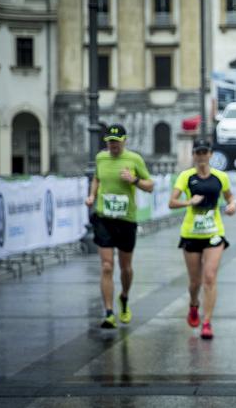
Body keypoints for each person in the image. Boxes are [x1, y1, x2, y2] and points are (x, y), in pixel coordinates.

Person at [85, 124, 154, 328]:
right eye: (110, 142)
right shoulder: (101, 158)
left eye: (117, 141)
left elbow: (150, 186)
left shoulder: (134, 159)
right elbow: (97, 178)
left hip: (126, 219)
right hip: (104, 217)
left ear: (125, 140)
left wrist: (133, 180)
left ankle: (124, 297)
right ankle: (108, 312)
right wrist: (92, 195)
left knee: (126, 268)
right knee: (107, 266)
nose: (113, 145)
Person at [169, 139, 236, 340]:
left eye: (204, 152)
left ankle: (207, 322)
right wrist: (189, 202)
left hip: (214, 233)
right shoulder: (186, 176)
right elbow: (171, 203)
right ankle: (193, 304)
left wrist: (232, 206)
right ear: (194, 155)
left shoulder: (220, 177)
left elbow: (230, 198)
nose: (201, 156)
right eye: (197, 152)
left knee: (209, 277)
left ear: (210, 154)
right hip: (191, 234)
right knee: (195, 282)